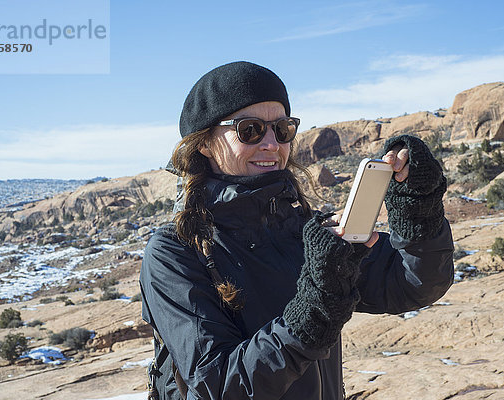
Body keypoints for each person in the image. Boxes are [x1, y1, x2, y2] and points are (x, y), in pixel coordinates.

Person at [139, 61, 454, 400]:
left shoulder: (305, 229)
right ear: (204, 143)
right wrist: (312, 312)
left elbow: (414, 285)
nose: (272, 144)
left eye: (283, 129)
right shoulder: (175, 251)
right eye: (250, 130)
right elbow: (217, 386)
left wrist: (418, 208)